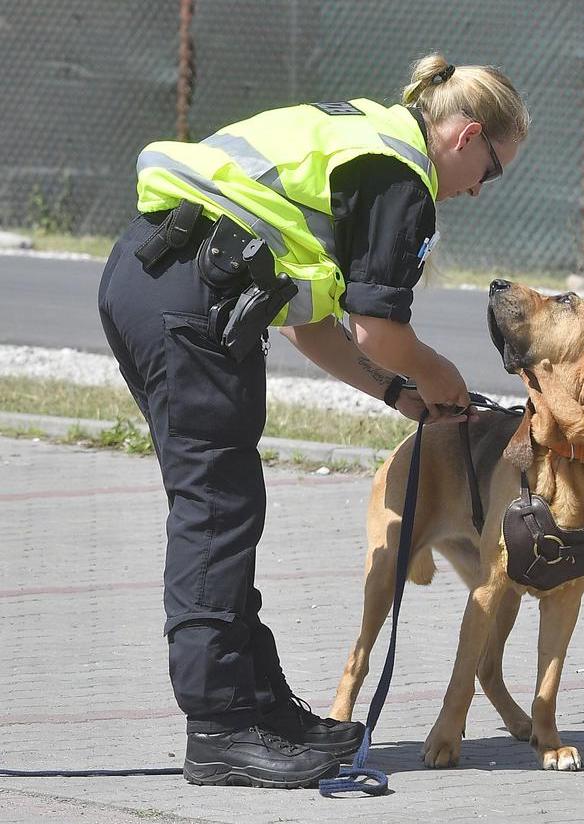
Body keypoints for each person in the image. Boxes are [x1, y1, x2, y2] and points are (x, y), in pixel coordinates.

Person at [98, 52, 529, 789]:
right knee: (216, 513)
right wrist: (440, 376)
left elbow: (309, 325)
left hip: (155, 277)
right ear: (466, 138)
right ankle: (222, 730)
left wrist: (399, 396)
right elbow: (375, 329)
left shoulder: (365, 137)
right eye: (492, 170)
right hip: (191, 297)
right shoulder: (404, 176)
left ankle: (262, 707)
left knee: (226, 506)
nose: (480, 189)